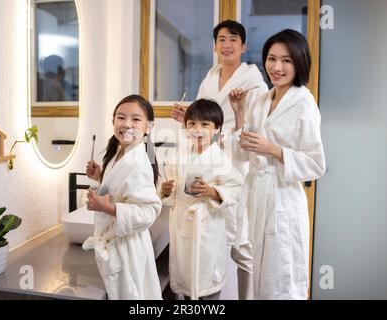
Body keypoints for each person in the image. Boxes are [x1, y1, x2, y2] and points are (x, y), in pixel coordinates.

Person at [171, 20, 268, 300]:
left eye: (233, 39)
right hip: (207, 161)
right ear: (214, 46)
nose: (226, 45)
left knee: (240, 241)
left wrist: (231, 126)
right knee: (211, 239)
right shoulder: (210, 77)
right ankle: (203, 294)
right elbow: (203, 119)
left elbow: (255, 127)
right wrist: (186, 119)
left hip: (235, 162)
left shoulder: (253, 81)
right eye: (221, 39)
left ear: (243, 46)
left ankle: (246, 298)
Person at [229, 29, 326, 299]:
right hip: (258, 198)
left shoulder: (304, 103)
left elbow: (316, 164)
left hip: (283, 202)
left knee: (283, 279)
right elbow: (243, 152)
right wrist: (239, 114)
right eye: (271, 59)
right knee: (261, 280)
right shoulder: (262, 100)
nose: (276, 67)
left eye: (286, 60)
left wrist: (273, 150)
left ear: (299, 62)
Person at [161, 99, 243, 300]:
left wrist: (213, 192)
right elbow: (169, 186)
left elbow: (236, 187)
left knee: (206, 281)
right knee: (187, 280)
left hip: (206, 225)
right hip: (182, 224)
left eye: (205, 124)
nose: (197, 129)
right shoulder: (179, 155)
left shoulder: (221, 158)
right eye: (192, 124)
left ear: (216, 129)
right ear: (186, 127)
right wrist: (165, 190)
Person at [82, 94, 162, 300]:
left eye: (136, 119)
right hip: (117, 243)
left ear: (149, 127)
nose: (127, 124)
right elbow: (122, 189)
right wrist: (101, 176)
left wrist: (106, 208)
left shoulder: (139, 162)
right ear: (113, 122)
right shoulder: (119, 152)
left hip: (128, 247)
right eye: (121, 117)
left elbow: (149, 211)